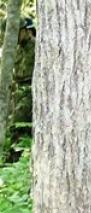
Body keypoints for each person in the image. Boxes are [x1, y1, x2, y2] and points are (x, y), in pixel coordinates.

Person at [7, 17, 35, 146]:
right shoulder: (17, 50)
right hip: (18, 91)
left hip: (31, 89)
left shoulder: (36, 47)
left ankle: (14, 157)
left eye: (17, 32)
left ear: (24, 31)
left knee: (18, 122)